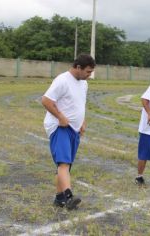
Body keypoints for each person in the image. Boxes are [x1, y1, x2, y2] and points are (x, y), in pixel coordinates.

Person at [42, 54, 95, 210]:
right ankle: (69, 196)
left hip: (74, 129)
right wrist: (60, 117)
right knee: (63, 163)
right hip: (60, 128)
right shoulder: (62, 80)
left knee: (66, 165)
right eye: (88, 71)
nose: (89, 75)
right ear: (78, 67)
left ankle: (59, 199)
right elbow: (46, 100)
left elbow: (80, 104)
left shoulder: (83, 84)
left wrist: (82, 122)